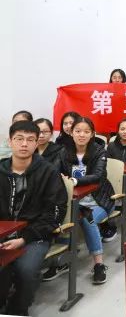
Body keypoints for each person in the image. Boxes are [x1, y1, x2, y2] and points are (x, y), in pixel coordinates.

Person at [0, 121, 67, 316]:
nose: (24, 144)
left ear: (37, 143)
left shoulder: (49, 172)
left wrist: (24, 238)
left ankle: (17, 310)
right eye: (19, 139)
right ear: (10, 141)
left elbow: (55, 212)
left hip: (34, 236)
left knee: (26, 270)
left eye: (30, 140)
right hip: (2, 234)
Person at [48, 117, 114, 284]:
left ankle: (99, 264)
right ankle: (63, 259)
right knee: (64, 218)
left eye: (86, 131)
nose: (82, 135)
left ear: (92, 134)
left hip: (99, 201)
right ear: (71, 133)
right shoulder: (64, 152)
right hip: (73, 202)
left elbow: (98, 175)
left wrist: (74, 181)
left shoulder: (99, 151)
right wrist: (60, 178)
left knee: (87, 219)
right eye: (78, 131)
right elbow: (54, 173)